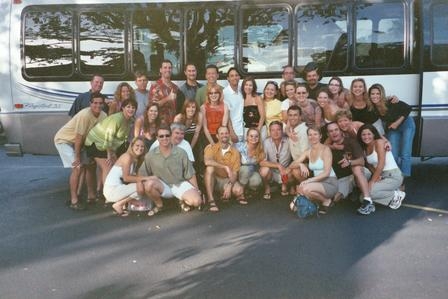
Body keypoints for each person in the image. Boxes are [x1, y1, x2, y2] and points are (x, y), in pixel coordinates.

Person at [54, 92, 107, 210]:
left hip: (82, 143)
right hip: (65, 140)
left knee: (91, 166)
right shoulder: (85, 115)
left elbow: (101, 136)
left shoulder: (103, 116)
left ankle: (91, 196)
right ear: (90, 103)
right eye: (95, 103)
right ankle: (74, 200)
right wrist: (77, 157)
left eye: (100, 103)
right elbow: (78, 138)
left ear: (103, 104)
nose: (97, 105)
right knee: (77, 167)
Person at [139, 126, 202, 216]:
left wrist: (197, 189)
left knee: (197, 201)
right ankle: (159, 205)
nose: (164, 138)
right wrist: (140, 184)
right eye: (161, 136)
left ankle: (182, 200)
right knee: (148, 184)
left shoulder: (181, 152)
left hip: (179, 184)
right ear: (157, 138)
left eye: (167, 135)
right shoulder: (151, 155)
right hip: (162, 185)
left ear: (171, 136)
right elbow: (142, 173)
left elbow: (190, 173)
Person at [85, 98, 137, 190]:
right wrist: (110, 154)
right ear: (123, 108)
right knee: (107, 167)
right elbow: (109, 136)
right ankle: (108, 195)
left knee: (114, 165)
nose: (131, 109)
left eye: (133, 107)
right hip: (95, 143)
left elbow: (121, 139)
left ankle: (100, 190)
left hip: (107, 145)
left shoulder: (130, 120)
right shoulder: (118, 118)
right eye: (128, 107)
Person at [369, 83, 415, 181]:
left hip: (406, 124)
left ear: (382, 94)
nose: (375, 96)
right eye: (372, 94)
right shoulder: (373, 108)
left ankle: (402, 181)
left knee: (405, 153)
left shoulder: (390, 101)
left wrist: (397, 123)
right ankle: (396, 177)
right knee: (393, 154)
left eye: (378, 93)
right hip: (393, 128)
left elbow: (408, 108)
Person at [356, 124, 406, 215]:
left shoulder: (379, 142)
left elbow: (381, 164)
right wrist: (377, 176)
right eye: (363, 135)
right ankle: (373, 203)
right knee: (363, 196)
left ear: (374, 134)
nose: (366, 137)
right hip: (381, 176)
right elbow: (370, 165)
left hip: (393, 175)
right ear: (360, 136)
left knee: (369, 192)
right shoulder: (364, 149)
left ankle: (395, 195)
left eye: (369, 134)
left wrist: (372, 181)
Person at [288, 126, 338, 214]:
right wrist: (300, 164)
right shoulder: (308, 151)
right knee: (293, 206)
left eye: (315, 134)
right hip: (318, 183)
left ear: (320, 136)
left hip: (330, 182)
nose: (312, 137)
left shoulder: (326, 150)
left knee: (305, 189)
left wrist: (309, 181)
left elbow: (326, 173)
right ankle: (315, 200)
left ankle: (326, 201)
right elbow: (292, 165)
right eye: (310, 135)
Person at [103, 137, 149, 216]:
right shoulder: (127, 157)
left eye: (142, 146)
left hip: (118, 188)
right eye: (137, 145)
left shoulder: (135, 159)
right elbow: (126, 178)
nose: (140, 148)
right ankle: (119, 204)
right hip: (111, 190)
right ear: (132, 146)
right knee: (143, 185)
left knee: (141, 185)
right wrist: (146, 178)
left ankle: (124, 203)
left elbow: (133, 177)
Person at [326, 122, 370, 203]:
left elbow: (362, 161)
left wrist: (349, 162)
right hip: (344, 178)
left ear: (341, 131)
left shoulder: (351, 142)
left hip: (359, 173)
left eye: (336, 130)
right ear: (328, 134)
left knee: (357, 171)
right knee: (335, 198)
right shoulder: (328, 147)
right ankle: (353, 190)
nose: (334, 133)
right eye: (331, 131)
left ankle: (360, 192)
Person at [204, 126, 245, 212]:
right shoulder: (211, 148)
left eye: (226, 133)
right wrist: (224, 166)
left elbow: (234, 173)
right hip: (214, 180)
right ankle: (211, 200)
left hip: (226, 180)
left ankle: (224, 194)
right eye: (221, 133)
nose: (224, 135)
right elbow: (207, 162)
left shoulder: (235, 152)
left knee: (239, 190)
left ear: (229, 135)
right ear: (217, 136)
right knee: (209, 168)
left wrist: (229, 185)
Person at [259, 121, 292, 199]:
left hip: (285, 171)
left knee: (293, 170)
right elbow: (262, 162)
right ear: (269, 132)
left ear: (282, 131)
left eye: (278, 130)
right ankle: (267, 187)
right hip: (272, 172)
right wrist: (278, 165)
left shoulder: (288, 141)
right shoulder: (266, 142)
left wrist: (286, 169)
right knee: (264, 170)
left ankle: (285, 185)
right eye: (273, 130)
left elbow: (295, 158)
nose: (275, 132)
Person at [234, 128, 265, 199]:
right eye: (251, 136)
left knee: (257, 181)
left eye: (256, 136)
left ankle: (247, 190)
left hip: (251, 172)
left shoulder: (260, 149)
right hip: (239, 171)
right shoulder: (239, 146)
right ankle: (240, 192)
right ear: (247, 137)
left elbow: (260, 164)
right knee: (246, 169)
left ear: (259, 138)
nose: (253, 138)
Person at [148, 59, 181, 126]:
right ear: (160, 70)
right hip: (160, 124)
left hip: (173, 124)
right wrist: (168, 98)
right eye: (165, 68)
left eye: (169, 68)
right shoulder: (155, 86)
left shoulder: (175, 87)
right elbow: (152, 106)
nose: (168, 70)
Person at [284, 105, 309, 185]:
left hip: (307, 163)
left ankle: (305, 189)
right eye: (290, 115)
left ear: (300, 116)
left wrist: (294, 166)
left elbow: (305, 157)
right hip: (296, 162)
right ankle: (295, 186)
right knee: (285, 177)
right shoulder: (292, 128)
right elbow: (286, 128)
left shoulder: (304, 131)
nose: (292, 118)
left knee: (295, 171)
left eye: (295, 115)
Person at [223, 67, 245, 143]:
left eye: (236, 75)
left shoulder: (242, 90)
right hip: (234, 132)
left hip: (244, 130)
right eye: (232, 76)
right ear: (228, 78)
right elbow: (226, 115)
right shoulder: (224, 93)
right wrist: (231, 132)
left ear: (239, 77)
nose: (234, 78)